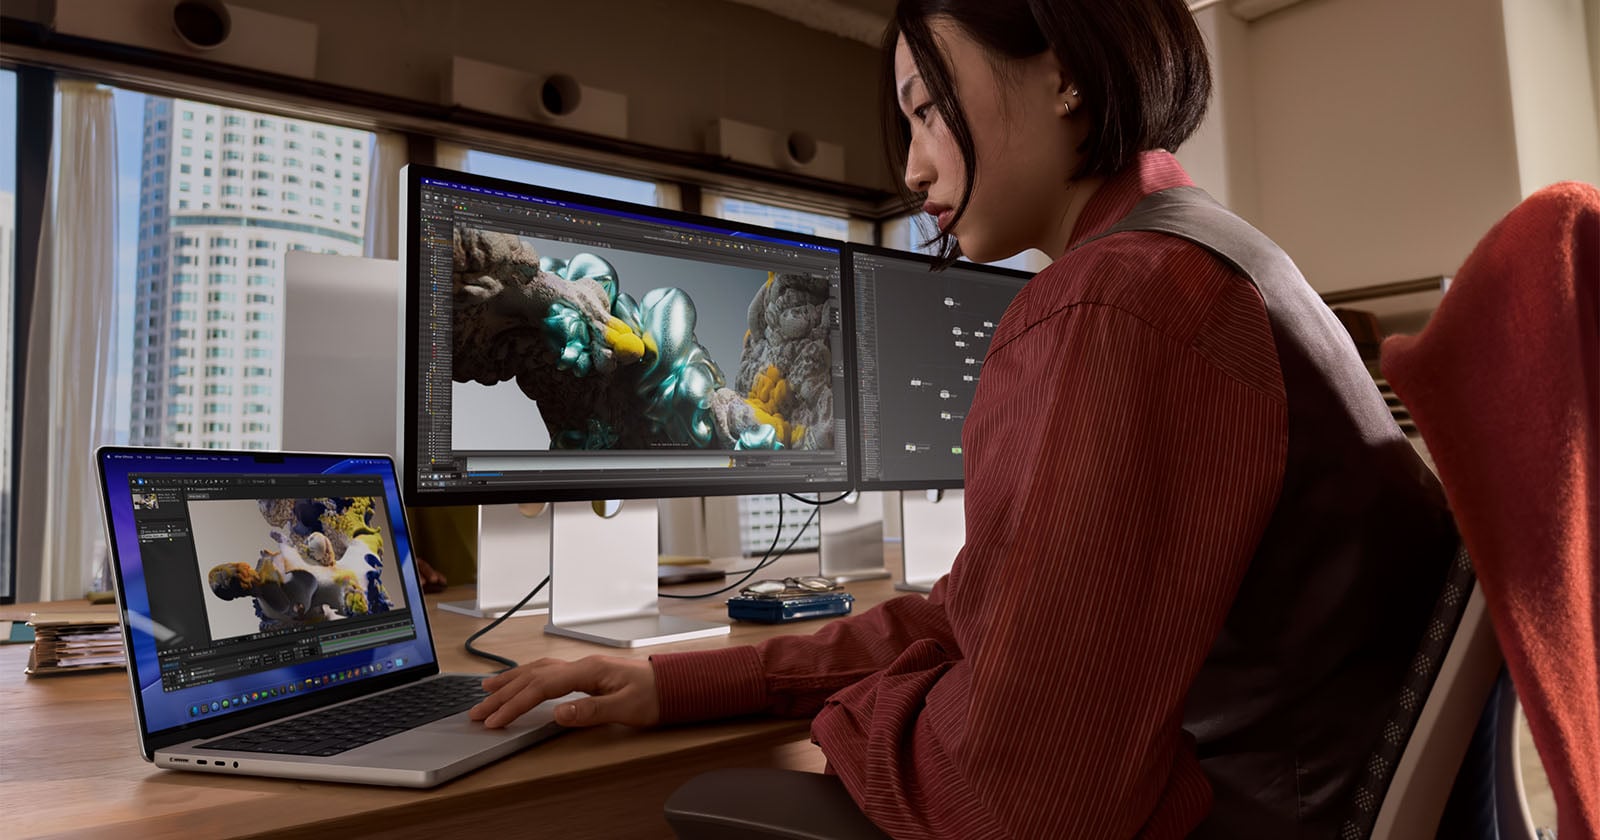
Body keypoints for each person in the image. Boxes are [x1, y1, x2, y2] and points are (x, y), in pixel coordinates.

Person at [470, 1, 1457, 837]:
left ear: (1064, 73)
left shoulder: (1110, 304)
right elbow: (968, 616)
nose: (910, 168)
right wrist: (678, 685)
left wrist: (859, 712)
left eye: (928, 110)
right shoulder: (1203, 259)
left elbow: (1011, 801)